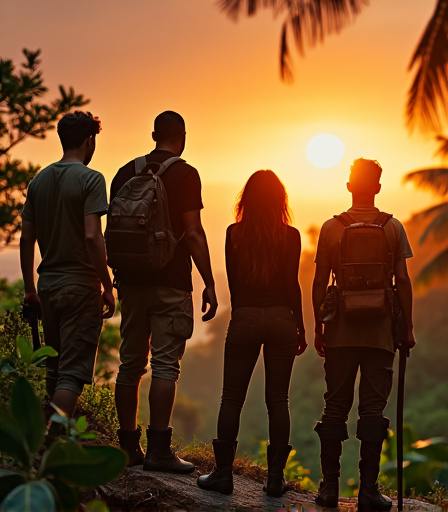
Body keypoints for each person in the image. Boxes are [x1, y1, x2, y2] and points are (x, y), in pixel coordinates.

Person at [111, 110, 218, 473]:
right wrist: (210, 281)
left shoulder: (126, 172)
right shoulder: (186, 174)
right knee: (165, 365)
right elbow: (192, 232)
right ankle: (158, 450)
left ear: (154, 134)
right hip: (170, 282)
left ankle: (127, 446)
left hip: (131, 282)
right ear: (182, 136)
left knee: (129, 364)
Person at [312, 158, 416, 510]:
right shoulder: (392, 227)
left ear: (348, 186)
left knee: (335, 407)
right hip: (380, 333)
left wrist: (318, 324)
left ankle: (329, 489)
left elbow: (319, 280)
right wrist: (408, 327)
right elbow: (401, 280)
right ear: (378, 187)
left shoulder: (331, 227)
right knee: (372, 409)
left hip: (341, 330)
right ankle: (368, 492)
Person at [197, 170, 307, 497]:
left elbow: (234, 283)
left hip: (244, 317)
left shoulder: (234, 233)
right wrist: (300, 325)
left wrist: (244, 314)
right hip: (281, 320)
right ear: (280, 201)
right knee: (278, 400)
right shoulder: (291, 236)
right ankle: (275, 479)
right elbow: (291, 284)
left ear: (246, 200)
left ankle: (223, 474)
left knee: (232, 398)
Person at [20, 111, 115, 421]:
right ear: (89, 141)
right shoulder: (91, 179)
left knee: (55, 366)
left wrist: (30, 290)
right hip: (80, 287)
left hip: (47, 286)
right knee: (72, 375)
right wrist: (107, 284)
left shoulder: (39, 181)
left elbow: (26, 240)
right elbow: (92, 236)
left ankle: (44, 447)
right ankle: (54, 441)